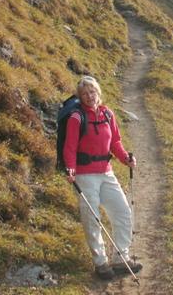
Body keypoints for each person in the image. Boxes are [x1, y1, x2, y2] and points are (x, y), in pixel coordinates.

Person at [64, 75, 142, 280]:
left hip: (106, 172)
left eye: (92, 92)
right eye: (85, 94)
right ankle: (101, 263)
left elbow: (115, 142)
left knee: (122, 212)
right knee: (92, 218)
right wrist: (70, 169)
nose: (90, 96)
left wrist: (125, 158)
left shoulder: (108, 114)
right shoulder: (76, 118)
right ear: (80, 97)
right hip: (85, 175)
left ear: (98, 92)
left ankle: (120, 258)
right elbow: (69, 147)